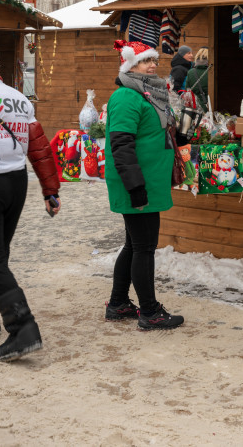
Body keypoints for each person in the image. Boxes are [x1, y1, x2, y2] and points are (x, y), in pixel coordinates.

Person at [0, 41, 60, 361]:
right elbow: (39, 147)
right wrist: (50, 190)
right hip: (17, 182)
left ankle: (22, 327)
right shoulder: (21, 99)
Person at [103, 39, 184, 330]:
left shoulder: (149, 94)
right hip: (138, 182)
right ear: (129, 65)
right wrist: (136, 188)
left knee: (134, 244)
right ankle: (150, 312)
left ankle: (118, 303)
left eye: (153, 61)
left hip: (147, 180)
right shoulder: (127, 96)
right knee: (144, 247)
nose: (151, 65)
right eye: (144, 61)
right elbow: (121, 146)